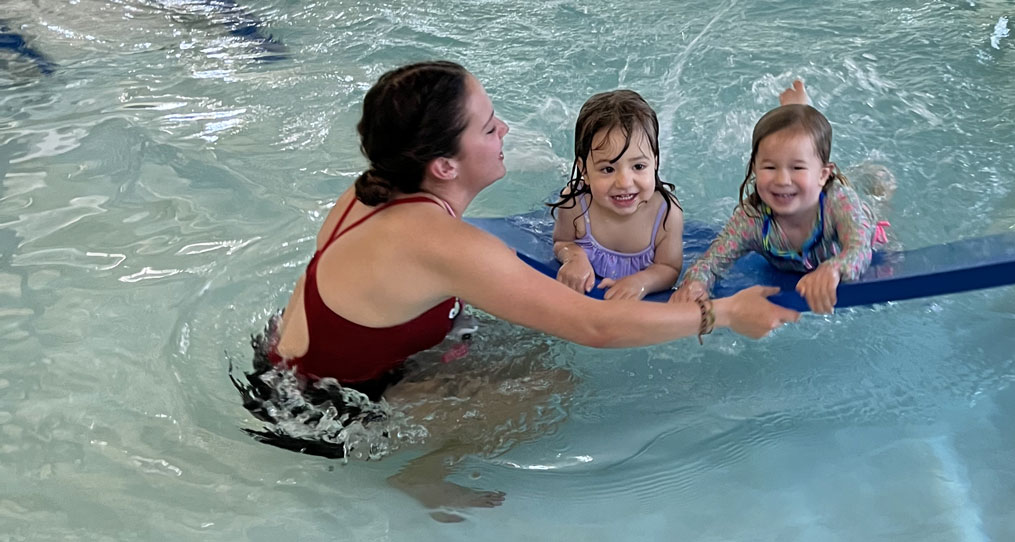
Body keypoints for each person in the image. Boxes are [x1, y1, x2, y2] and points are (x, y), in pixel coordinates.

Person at [248, 59, 797, 429]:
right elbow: (595, 326)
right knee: (553, 384)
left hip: (279, 364)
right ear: (443, 166)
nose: (505, 129)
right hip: (322, 413)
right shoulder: (446, 245)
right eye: (489, 128)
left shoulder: (375, 188)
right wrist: (722, 314)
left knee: (519, 337)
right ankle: (425, 477)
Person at [669, 80, 891, 314]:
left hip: (857, 222)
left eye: (796, 168)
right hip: (812, 187)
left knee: (873, 210)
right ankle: (798, 117)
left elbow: (858, 249)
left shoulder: (839, 203)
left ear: (824, 175)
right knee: (804, 154)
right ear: (754, 168)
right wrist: (695, 283)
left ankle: (871, 184)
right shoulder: (752, 220)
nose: (782, 180)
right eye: (770, 168)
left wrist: (834, 268)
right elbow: (710, 262)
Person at [549, 90, 683, 300]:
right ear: (584, 171)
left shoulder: (666, 213)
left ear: (655, 162)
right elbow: (561, 242)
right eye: (608, 169)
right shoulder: (574, 204)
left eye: (638, 166)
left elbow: (669, 267)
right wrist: (573, 256)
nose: (624, 183)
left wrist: (641, 282)